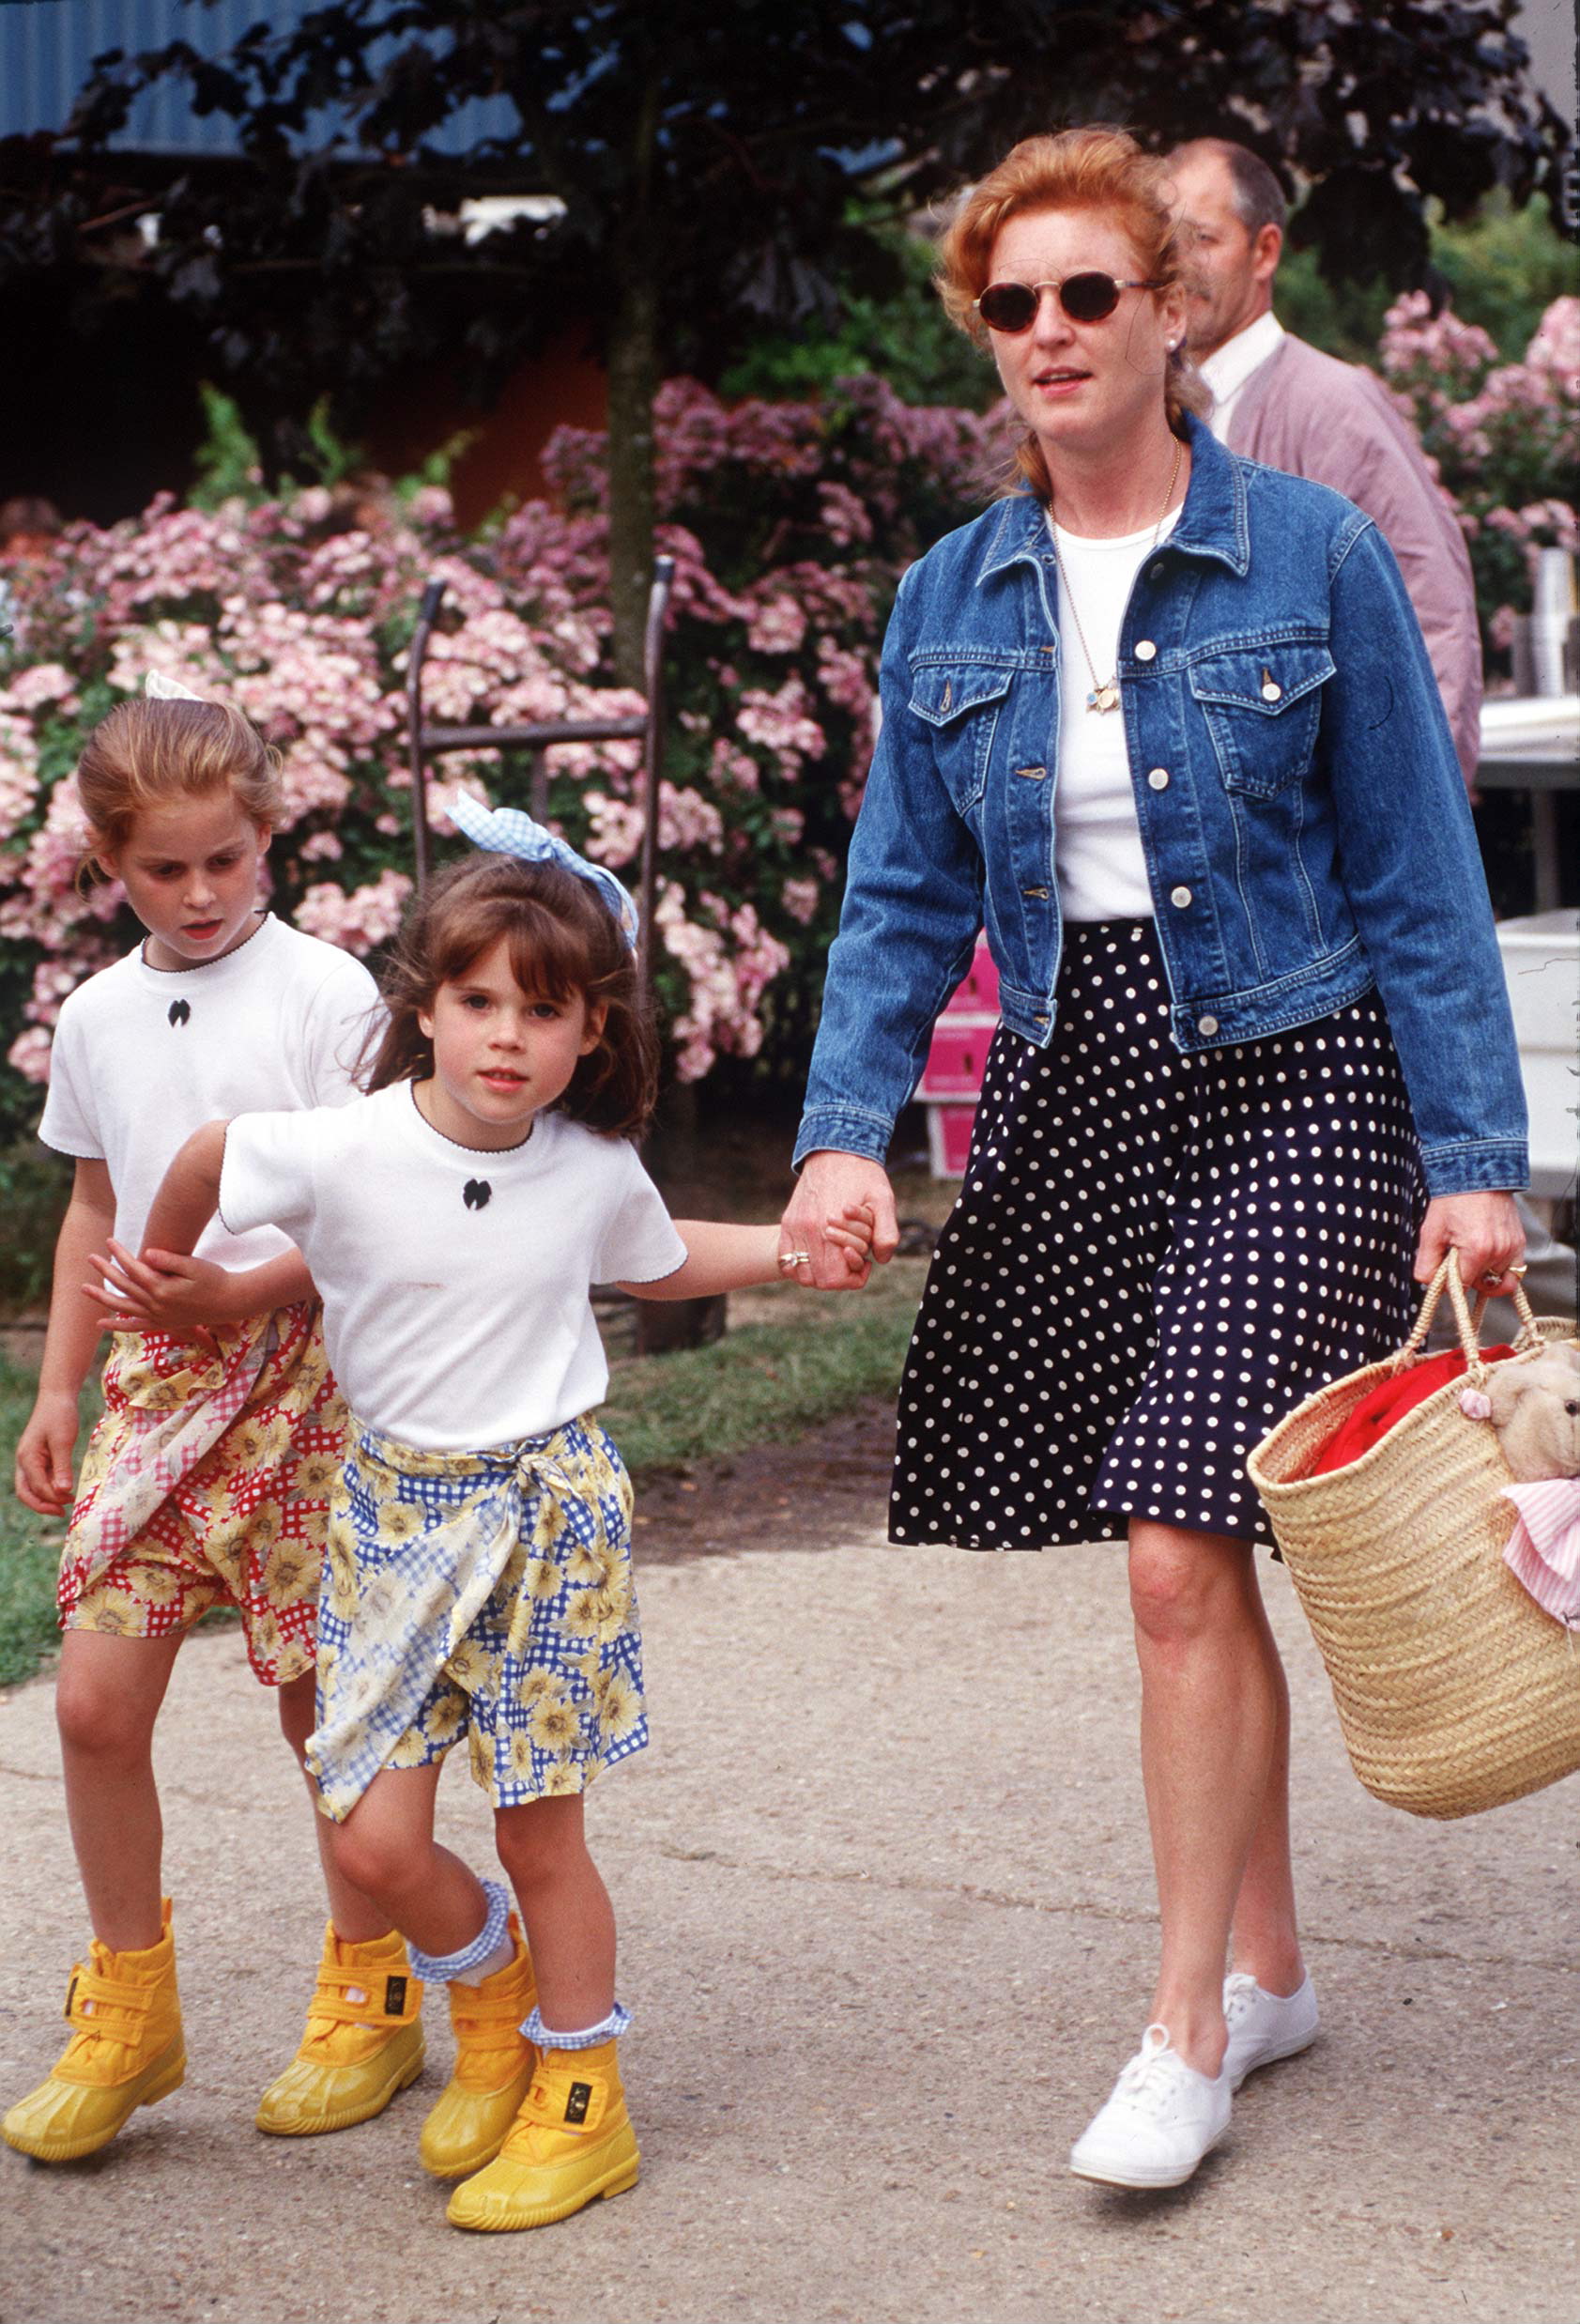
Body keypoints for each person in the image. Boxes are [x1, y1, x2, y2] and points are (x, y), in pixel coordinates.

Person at [780, 127, 1527, 2192]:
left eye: (1084, 292)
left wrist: (1474, 1153)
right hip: (1078, 1087)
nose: (1044, 332)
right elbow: (895, 898)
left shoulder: (1304, 552)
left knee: (1176, 1549)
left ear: (1169, 309)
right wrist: (845, 1138)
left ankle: (1183, 2025)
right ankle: (1272, 1965)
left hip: (1300, 1079)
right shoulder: (951, 592)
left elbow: (1416, 873)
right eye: (1005, 303)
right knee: (1193, 1553)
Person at [130, 803, 875, 2233]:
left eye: (545, 1010)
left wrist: (794, 1248)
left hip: (546, 1521)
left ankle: (581, 2094)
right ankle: (489, 1991)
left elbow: (656, 1261)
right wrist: (183, 1281)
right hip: (392, 1520)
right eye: (477, 1000)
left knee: (542, 1832)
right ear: (422, 1002)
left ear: (591, 1031)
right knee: (370, 1836)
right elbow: (216, 1151)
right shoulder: (344, 1147)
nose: (506, 1036)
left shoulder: (589, 1166)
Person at [4, 677, 418, 2166]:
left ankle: (369, 1989)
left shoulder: (329, 996)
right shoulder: (98, 1014)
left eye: (221, 861)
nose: (194, 893)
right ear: (109, 865)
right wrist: (59, 1390)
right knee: (92, 1704)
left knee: (323, 1707)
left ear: (267, 837)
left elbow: (380, 1204)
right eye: (159, 868)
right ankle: (129, 2003)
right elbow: (96, 1203)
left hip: (310, 1383)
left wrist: (241, 1293)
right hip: (152, 1393)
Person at [1165, 136, 1482, 788]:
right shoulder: (1154, 416)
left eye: (1202, 238)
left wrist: (1406, 834)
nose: (1180, 266)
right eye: (1164, 244)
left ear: (1265, 251)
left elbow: (1433, 620)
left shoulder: (1330, 404)